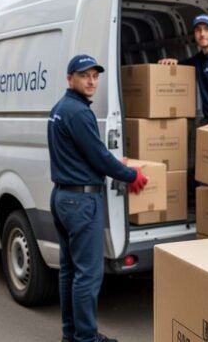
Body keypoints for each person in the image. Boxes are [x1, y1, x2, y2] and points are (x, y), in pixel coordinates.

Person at [48, 54, 148, 342]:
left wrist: (116, 162)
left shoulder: (60, 108)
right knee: (88, 275)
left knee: (69, 271)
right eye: (84, 75)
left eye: (95, 75)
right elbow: (99, 157)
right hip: (81, 203)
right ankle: (86, 338)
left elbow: (85, 154)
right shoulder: (79, 112)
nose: (91, 81)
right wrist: (131, 175)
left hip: (62, 197)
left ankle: (72, 333)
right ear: (70, 79)